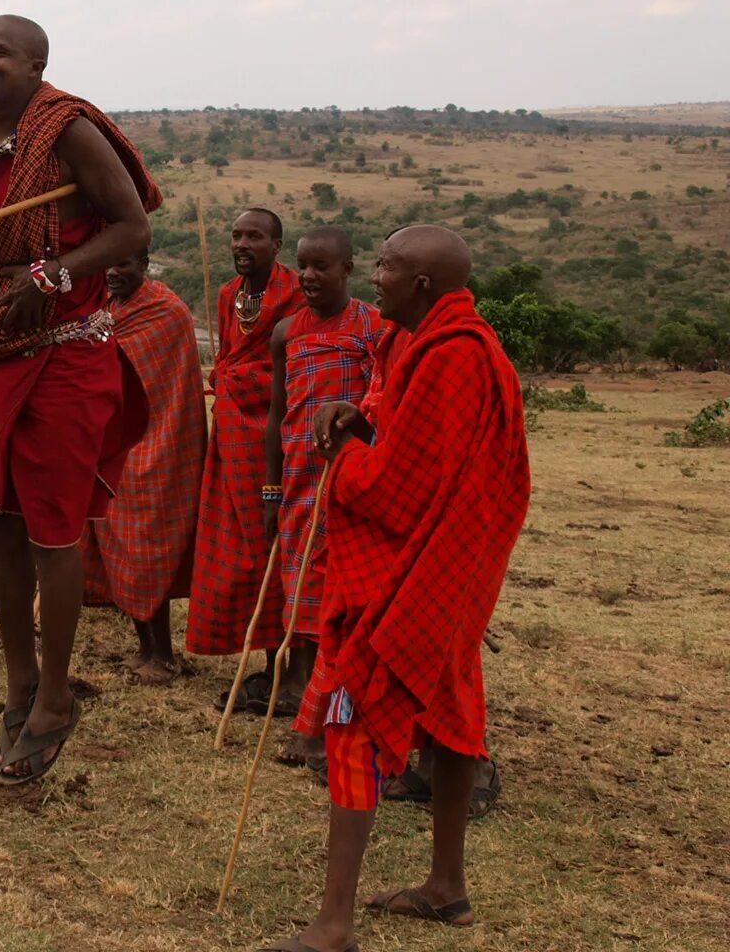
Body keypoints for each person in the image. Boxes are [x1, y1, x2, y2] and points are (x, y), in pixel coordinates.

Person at [262, 226, 530, 952]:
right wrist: (360, 414)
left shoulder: (455, 358)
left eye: (386, 267)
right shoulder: (420, 340)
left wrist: (342, 456)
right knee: (449, 710)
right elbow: (396, 418)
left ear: (421, 287)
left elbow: (397, 490)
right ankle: (447, 889)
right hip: (451, 571)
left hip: (423, 571)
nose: (374, 277)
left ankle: (334, 924)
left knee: (354, 717)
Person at [0, 14, 160, 785]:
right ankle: (19, 682)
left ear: (36, 64)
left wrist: (54, 275)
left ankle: (56, 696)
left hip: (64, 353)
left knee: (54, 533)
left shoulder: (68, 129)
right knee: (0, 524)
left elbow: (129, 227)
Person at [262, 228, 379, 764]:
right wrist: (270, 487)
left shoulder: (373, 328)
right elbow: (277, 414)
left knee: (343, 599)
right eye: (302, 266)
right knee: (301, 593)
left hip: (352, 484)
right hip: (299, 480)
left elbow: (384, 406)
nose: (309, 277)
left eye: (322, 267)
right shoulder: (286, 332)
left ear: (348, 269)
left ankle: (333, 715)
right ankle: (307, 700)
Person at [188, 209, 304, 711]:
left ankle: (289, 667)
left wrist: (233, 382)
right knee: (240, 547)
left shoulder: (297, 293)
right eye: (236, 235)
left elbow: (288, 369)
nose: (242, 244)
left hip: (274, 434)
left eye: (254, 236)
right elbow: (231, 361)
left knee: (275, 542)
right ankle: (264, 659)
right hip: (232, 434)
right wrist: (227, 381)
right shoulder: (228, 296)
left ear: (277, 245)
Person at [79, 249, 206, 683]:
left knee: (148, 550)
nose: (113, 270)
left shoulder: (166, 312)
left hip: (159, 445)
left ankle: (165, 657)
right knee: (120, 552)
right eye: (108, 264)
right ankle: (145, 648)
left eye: (123, 263)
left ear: (144, 263)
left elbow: (170, 387)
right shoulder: (106, 310)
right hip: (112, 447)